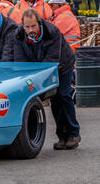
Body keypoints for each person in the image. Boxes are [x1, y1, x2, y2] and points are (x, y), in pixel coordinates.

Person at [13, 9, 80, 150]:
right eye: (27, 27)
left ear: (39, 24)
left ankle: (73, 133)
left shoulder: (52, 32)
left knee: (63, 95)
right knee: (54, 98)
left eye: (33, 26)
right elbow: (20, 61)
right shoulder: (19, 35)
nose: (30, 30)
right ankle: (62, 136)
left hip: (62, 65)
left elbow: (52, 61)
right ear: (23, 26)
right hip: (42, 66)